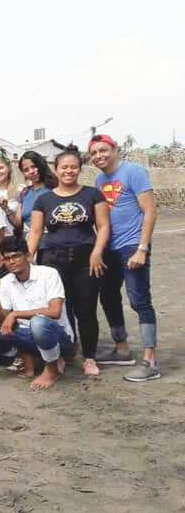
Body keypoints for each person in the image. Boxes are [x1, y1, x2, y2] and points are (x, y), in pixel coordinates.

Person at [28, 146, 109, 376]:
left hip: (86, 260)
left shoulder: (92, 194)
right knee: (62, 310)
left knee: (87, 309)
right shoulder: (44, 199)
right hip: (53, 261)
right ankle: (64, 354)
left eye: (74, 167)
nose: (69, 171)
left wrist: (97, 252)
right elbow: (35, 232)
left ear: (80, 169)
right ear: (56, 169)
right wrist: (28, 258)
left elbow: (103, 226)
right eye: (64, 167)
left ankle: (90, 357)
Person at [90, 134, 160, 381]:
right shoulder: (99, 180)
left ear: (114, 149)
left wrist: (142, 247)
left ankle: (150, 361)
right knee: (108, 296)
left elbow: (150, 210)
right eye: (94, 153)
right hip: (110, 248)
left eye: (103, 150)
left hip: (132, 245)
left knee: (139, 300)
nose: (99, 156)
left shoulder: (134, 172)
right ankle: (122, 349)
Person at [0, 237, 74, 391]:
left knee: (38, 322)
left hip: (57, 335)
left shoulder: (48, 274)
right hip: (26, 334)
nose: (11, 262)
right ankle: (30, 356)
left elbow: (55, 311)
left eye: (16, 256)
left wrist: (15, 314)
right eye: (7, 258)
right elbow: (2, 323)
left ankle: (51, 368)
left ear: (26, 255)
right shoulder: (6, 281)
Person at [14, 151, 57, 237]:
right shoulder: (24, 193)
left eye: (33, 167)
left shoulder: (55, 189)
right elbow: (18, 223)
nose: (31, 171)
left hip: (50, 243)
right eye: (26, 170)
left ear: (41, 165)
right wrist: (6, 209)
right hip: (29, 243)